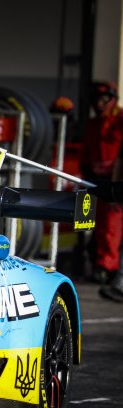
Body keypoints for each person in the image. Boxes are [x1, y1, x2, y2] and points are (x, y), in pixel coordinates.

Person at [80, 81, 123, 284]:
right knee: (99, 227)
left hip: (117, 182)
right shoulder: (93, 124)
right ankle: (103, 265)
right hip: (97, 182)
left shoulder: (120, 120)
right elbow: (86, 153)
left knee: (111, 226)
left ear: (113, 99)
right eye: (97, 100)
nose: (100, 104)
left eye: (104, 99)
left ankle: (108, 267)